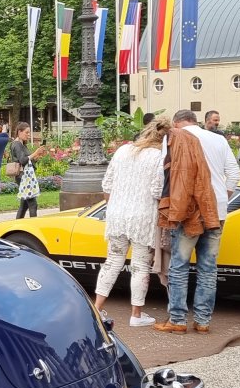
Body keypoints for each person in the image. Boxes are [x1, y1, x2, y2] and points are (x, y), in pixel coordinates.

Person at [94, 120, 169, 328]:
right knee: (140, 266)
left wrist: (115, 206)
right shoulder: (159, 156)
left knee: (112, 261)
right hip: (143, 217)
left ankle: (97, 308)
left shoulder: (123, 151)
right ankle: (136, 314)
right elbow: (157, 190)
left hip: (117, 215)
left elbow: (107, 184)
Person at [156, 112, 224, 334]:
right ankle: (203, 321)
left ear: (176, 123)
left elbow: (168, 175)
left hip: (188, 210)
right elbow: (233, 174)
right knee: (208, 267)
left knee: (179, 265)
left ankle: (177, 319)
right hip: (216, 209)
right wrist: (217, 198)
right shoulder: (218, 139)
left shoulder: (175, 137)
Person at [7, 122, 46, 219]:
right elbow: (23, 160)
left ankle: (17, 224)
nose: (29, 135)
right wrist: (35, 152)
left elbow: (27, 160)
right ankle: (34, 225)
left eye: (29, 132)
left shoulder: (22, 144)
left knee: (24, 205)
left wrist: (37, 156)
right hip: (23, 177)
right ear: (19, 132)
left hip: (24, 176)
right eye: (26, 132)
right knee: (33, 204)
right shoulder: (17, 144)